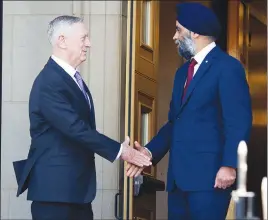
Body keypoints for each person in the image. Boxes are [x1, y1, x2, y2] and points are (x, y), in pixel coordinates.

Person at [13, 15, 151, 220]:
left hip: (75, 193)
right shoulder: (49, 81)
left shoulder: (71, 79)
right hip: (56, 194)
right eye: (84, 38)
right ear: (62, 40)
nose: (89, 43)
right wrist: (122, 151)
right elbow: (76, 128)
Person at [126, 2, 252, 220]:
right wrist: (148, 152)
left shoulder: (227, 67)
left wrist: (230, 165)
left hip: (210, 179)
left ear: (194, 32)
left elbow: (238, 121)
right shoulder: (182, 73)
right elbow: (175, 122)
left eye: (178, 30)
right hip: (178, 182)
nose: (174, 37)